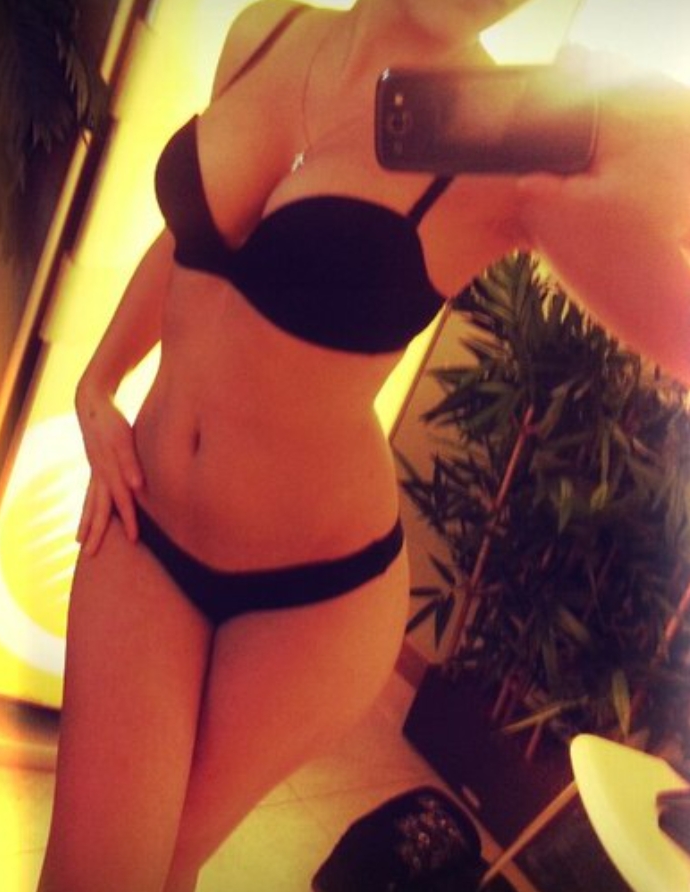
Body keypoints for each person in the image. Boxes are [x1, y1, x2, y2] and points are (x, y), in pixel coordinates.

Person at [36, 1, 690, 890]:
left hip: (313, 600)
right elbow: (195, 242)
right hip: (145, 516)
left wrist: (654, 131)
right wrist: (96, 382)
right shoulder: (268, 29)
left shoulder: (507, 139)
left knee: (168, 863)